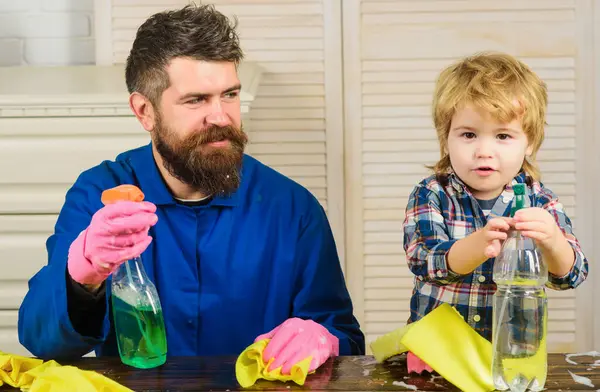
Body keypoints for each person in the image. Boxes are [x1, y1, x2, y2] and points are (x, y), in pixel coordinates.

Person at [18, 4, 364, 374]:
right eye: (196, 100)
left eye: (229, 95)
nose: (220, 116)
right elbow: (42, 341)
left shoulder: (293, 209)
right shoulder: (99, 194)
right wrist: (83, 272)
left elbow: (344, 338)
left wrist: (324, 338)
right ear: (144, 111)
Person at [402, 52, 588, 372]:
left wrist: (553, 241)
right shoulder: (431, 193)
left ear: (529, 142)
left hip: (512, 357)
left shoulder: (539, 201)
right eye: (469, 134)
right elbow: (425, 262)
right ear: (446, 138)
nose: (484, 150)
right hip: (437, 355)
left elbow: (571, 275)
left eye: (503, 136)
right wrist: (477, 245)